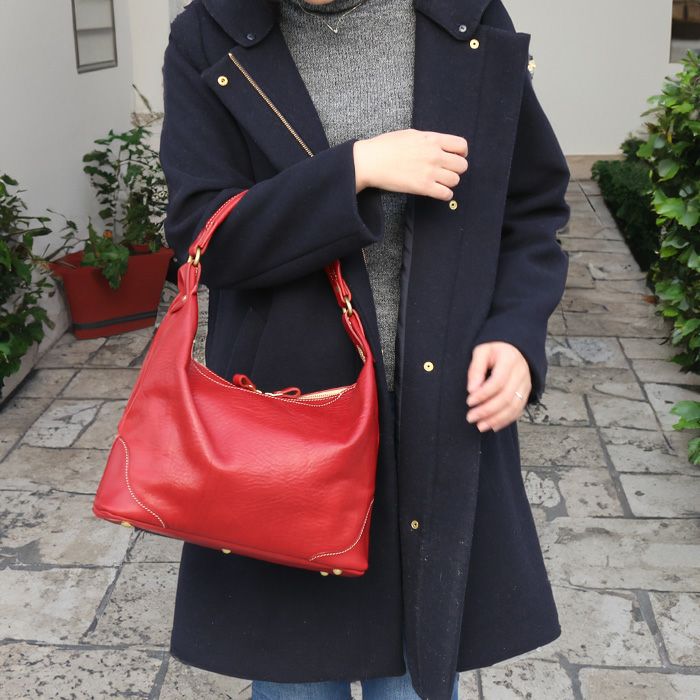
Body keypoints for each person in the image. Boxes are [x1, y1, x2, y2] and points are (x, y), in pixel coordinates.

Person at [158, 0, 570, 698]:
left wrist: (515, 332)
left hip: (436, 422)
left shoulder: (464, 16)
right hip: (287, 430)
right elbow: (205, 236)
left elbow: (529, 208)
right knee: (295, 681)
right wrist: (354, 169)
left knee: (414, 676)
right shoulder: (208, 32)